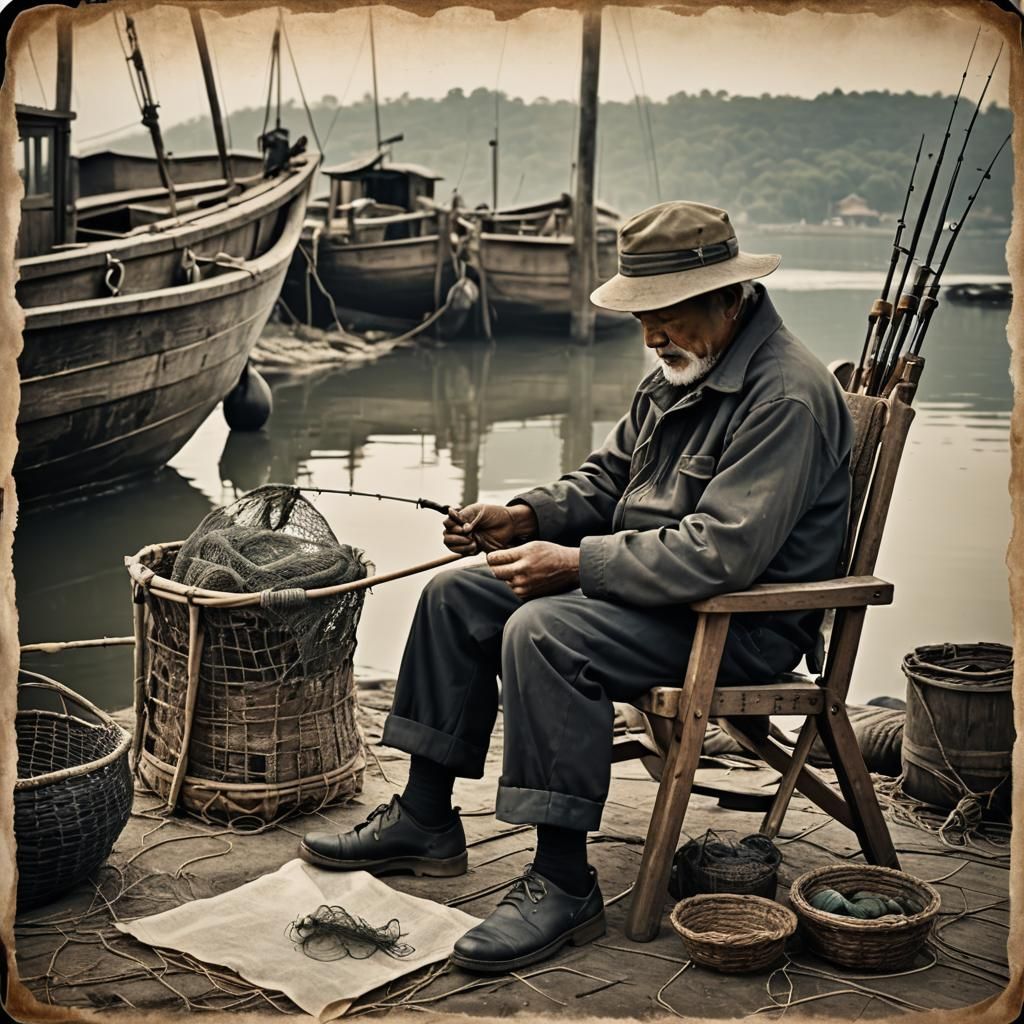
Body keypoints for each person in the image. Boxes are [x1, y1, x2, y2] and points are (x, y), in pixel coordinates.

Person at [300, 200, 854, 973]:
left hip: (736, 628)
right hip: (656, 599)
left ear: (729, 297)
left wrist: (573, 564)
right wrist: (525, 516)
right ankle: (425, 820)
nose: (651, 335)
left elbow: (719, 554)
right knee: (458, 595)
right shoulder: (682, 367)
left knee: (545, 631)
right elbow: (607, 479)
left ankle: (563, 883)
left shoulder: (784, 396)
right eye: (641, 317)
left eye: (665, 314)